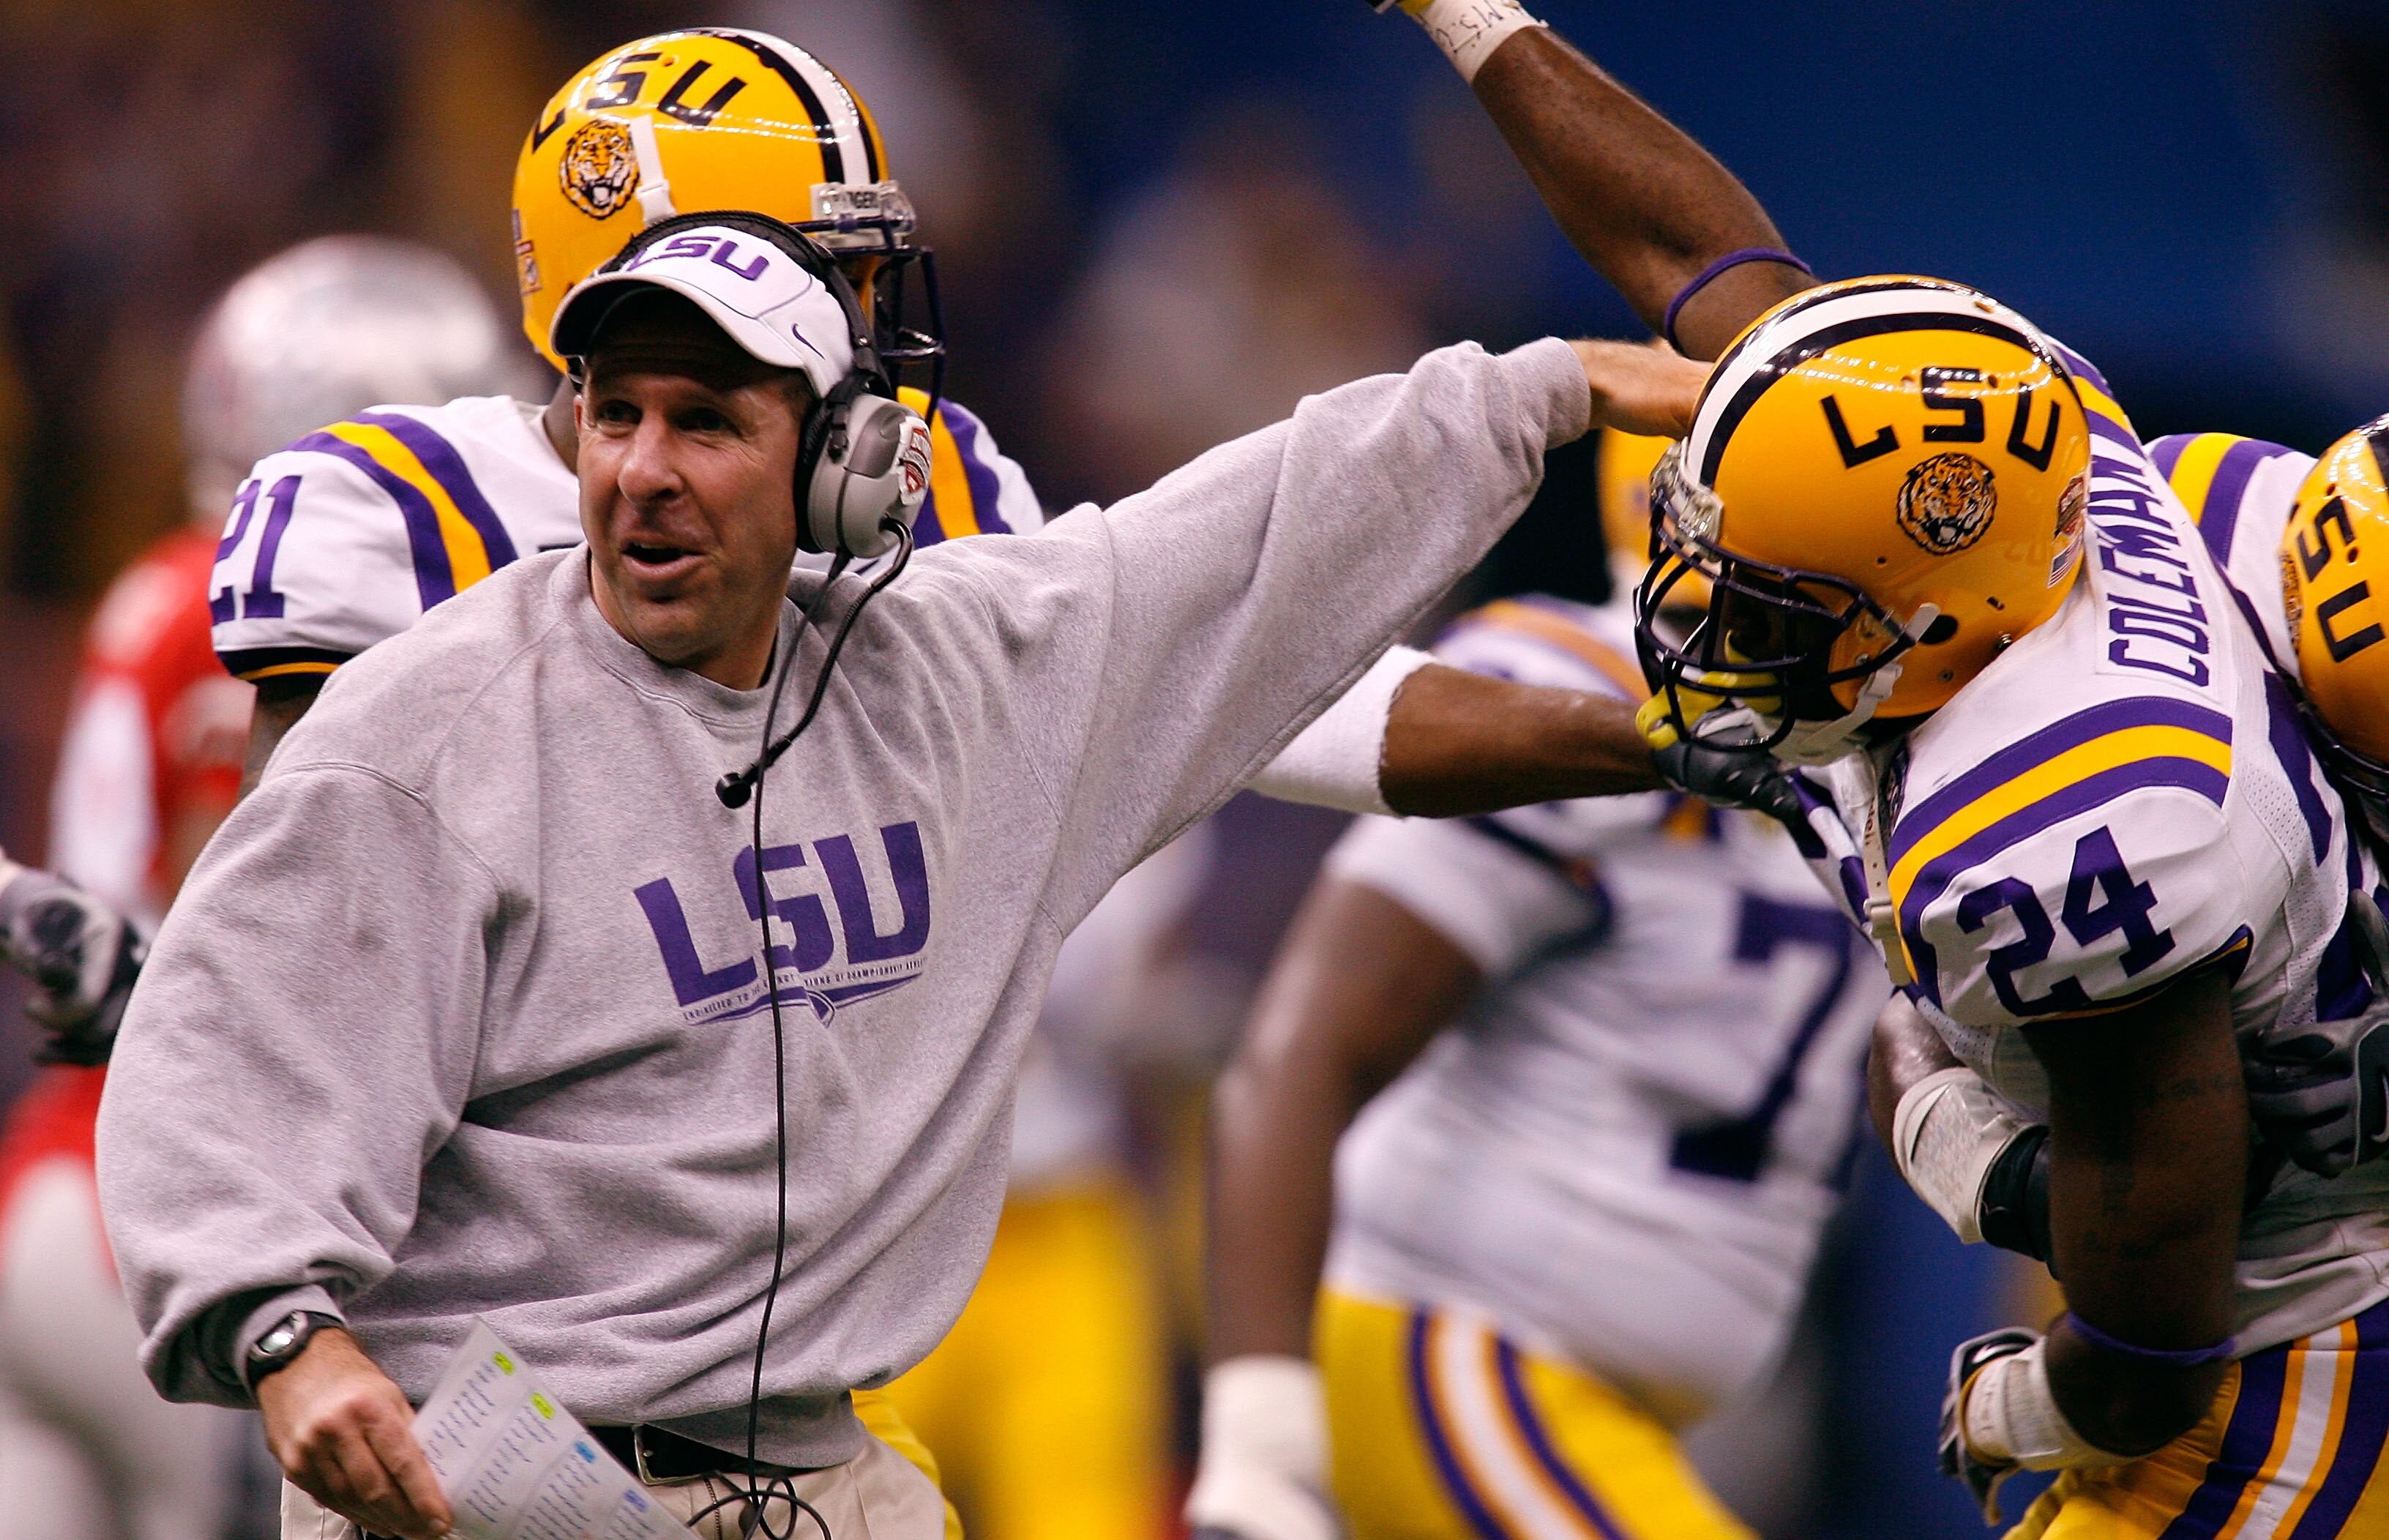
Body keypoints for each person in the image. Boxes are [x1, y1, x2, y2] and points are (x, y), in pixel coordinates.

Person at [98, 209, 1703, 1540]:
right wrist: (283, 1332)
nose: (643, 467)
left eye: (709, 420)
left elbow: (1254, 536)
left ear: (837, 467)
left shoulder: (957, 677)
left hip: (818, 1474)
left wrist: (1542, 389)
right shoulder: (430, 724)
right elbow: (224, 1039)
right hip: (492, 1491)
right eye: (617, 411)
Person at [1633, 272, 2389, 1533]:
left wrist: (2015, 1380)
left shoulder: (2108, 835)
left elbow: (2147, 1336)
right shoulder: (2212, 556)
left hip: (2304, 1346)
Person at [1187, 423, 1888, 1540]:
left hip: (1606, 1393)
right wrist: (1262, 1436)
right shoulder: (1576, 692)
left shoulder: (1871, 741)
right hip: (1460, 1344)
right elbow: (1304, 1051)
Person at [0, 236, 521, 1540]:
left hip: (63, 1191)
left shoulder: (162, 601)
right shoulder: (453, 635)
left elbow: (98, 919)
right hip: (230, 1220)